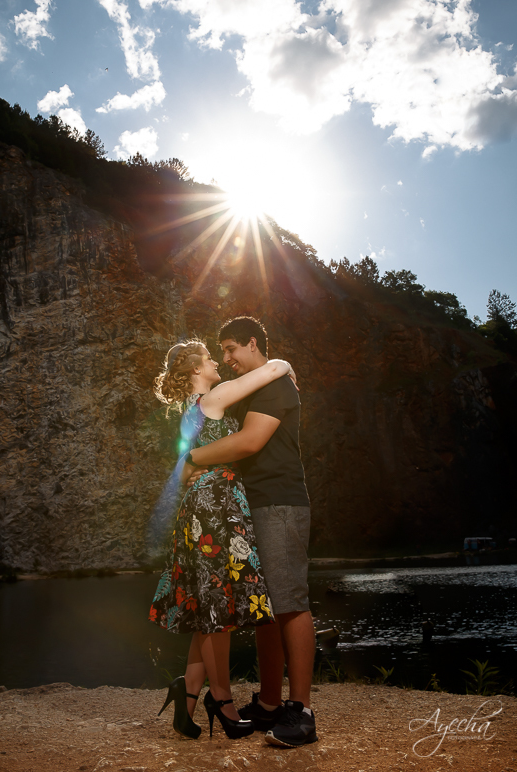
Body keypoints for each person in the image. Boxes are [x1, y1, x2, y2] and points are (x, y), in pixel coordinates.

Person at [149, 339, 295, 740]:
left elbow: (185, 465)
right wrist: (282, 361)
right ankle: (224, 701)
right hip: (215, 506)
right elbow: (267, 371)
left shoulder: (188, 414)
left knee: (210, 608)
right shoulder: (211, 399)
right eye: (210, 358)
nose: (217, 363)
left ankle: (188, 694)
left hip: (205, 505)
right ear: (196, 369)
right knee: (217, 610)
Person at [183, 317, 317, 749]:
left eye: (230, 350)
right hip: (246, 508)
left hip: (279, 502)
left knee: (290, 603)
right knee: (265, 607)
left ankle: (302, 712)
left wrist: (193, 460)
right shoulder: (254, 388)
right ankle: (271, 704)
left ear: (252, 344)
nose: (226, 359)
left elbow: (249, 442)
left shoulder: (276, 387)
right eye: (220, 353)